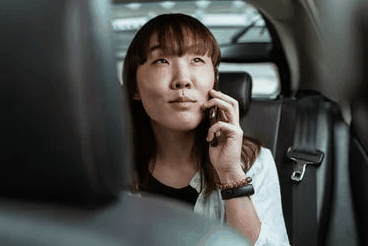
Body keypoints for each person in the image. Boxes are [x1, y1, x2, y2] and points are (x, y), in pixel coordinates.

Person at [122, 13, 290, 246]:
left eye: (197, 60)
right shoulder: (103, 167)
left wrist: (231, 174)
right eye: (161, 61)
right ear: (134, 88)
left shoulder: (253, 161)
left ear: (214, 79)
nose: (182, 80)